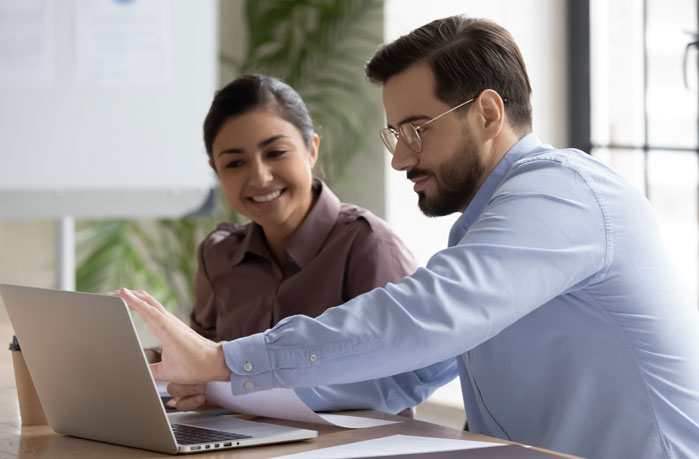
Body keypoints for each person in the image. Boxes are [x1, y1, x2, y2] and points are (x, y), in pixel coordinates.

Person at [115, 16, 699, 459]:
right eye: (395, 135)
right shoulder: (490, 222)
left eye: (417, 131)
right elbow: (403, 372)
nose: (401, 161)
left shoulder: (561, 195)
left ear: (489, 114)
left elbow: (424, 316)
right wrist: (224, 387)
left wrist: (224, 358)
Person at [190, 74, 416, 343]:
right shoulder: (218, 256)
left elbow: (405, 372)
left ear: (311, 150)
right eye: (235, 164)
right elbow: (200, 359)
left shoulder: (369, 245)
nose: (260, 177)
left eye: (275, 153)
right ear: (216, 171)